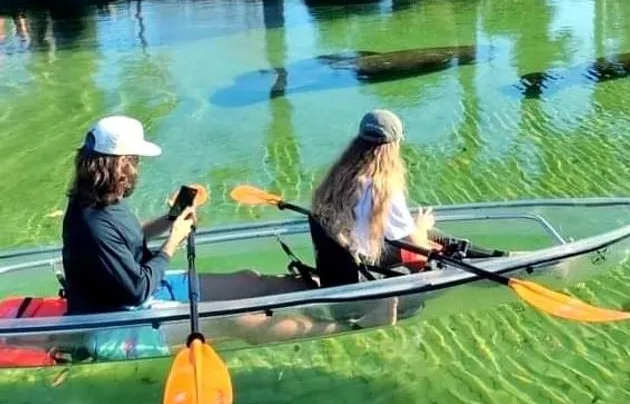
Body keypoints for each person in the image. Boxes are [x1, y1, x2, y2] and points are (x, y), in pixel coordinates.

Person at [61, 115, 281, 315]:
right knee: (243, 320)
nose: (138, 167)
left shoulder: (98, 198)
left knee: (248, 279)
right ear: (122, 165)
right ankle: (314, 324)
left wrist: (171, 218)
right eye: (136, 159)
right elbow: (137, 291)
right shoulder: (94, 224)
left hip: (146, 285)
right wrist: (173, 241)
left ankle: (310, 291)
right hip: (117, 317)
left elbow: (129, 238)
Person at [310, 109, 435, 287]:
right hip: (364, 282)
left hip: (336, 276)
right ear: (393, 146)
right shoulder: (383, 190)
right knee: (426, 258)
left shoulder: (334, 180)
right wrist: (421, 226)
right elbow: (420, 249)